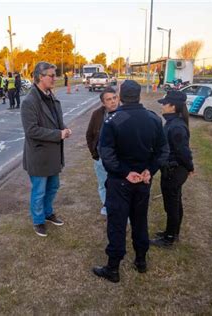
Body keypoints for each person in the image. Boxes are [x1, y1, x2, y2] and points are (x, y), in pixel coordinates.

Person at [93, 80, 169, 283]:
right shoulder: (153, 118)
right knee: (139, 220)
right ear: (139, 95)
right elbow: (163, 150)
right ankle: (141, 261)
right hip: (142, 181)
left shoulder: (113, 120)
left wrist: (126, 172)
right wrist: (149, 170)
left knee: (117, 224)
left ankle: (113, 268)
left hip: (121, 182)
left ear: (121, 95)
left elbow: (106, 153)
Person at [21, 61, 72, 237]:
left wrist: (64, 128)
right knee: (39, 190)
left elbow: (56, 120)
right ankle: (38, 220)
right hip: (39, 155)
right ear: (40, 77)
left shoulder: (51, 96)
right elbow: (31, 130)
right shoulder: (29, 101)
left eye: (54, 75)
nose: (54, 78)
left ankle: (48, 212)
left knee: (53, 186)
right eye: (51, 75)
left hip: (53, 154)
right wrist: (58, 134)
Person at [151, 90, 194, 248]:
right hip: (173, 170)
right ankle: (173, 232)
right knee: (175, 202)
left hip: (174, 171)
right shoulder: (173, 123)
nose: (162, 107)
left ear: (173, 107)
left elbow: (183, 151)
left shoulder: (176, 127)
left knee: (172, 205)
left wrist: (190, 167)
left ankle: (169, 238)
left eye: (165, 104)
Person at [85, 87, 120, 216]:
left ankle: (119, 209)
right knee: (103, 184)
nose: (113, 101)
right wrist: (94, 153)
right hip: (100, 159)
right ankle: (107, 208)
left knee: (118, 186)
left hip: (118, 159)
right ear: (103, 102)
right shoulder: (97, 114)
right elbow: (89, 135)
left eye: (114, 98)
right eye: (109, 99)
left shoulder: (124, 113)